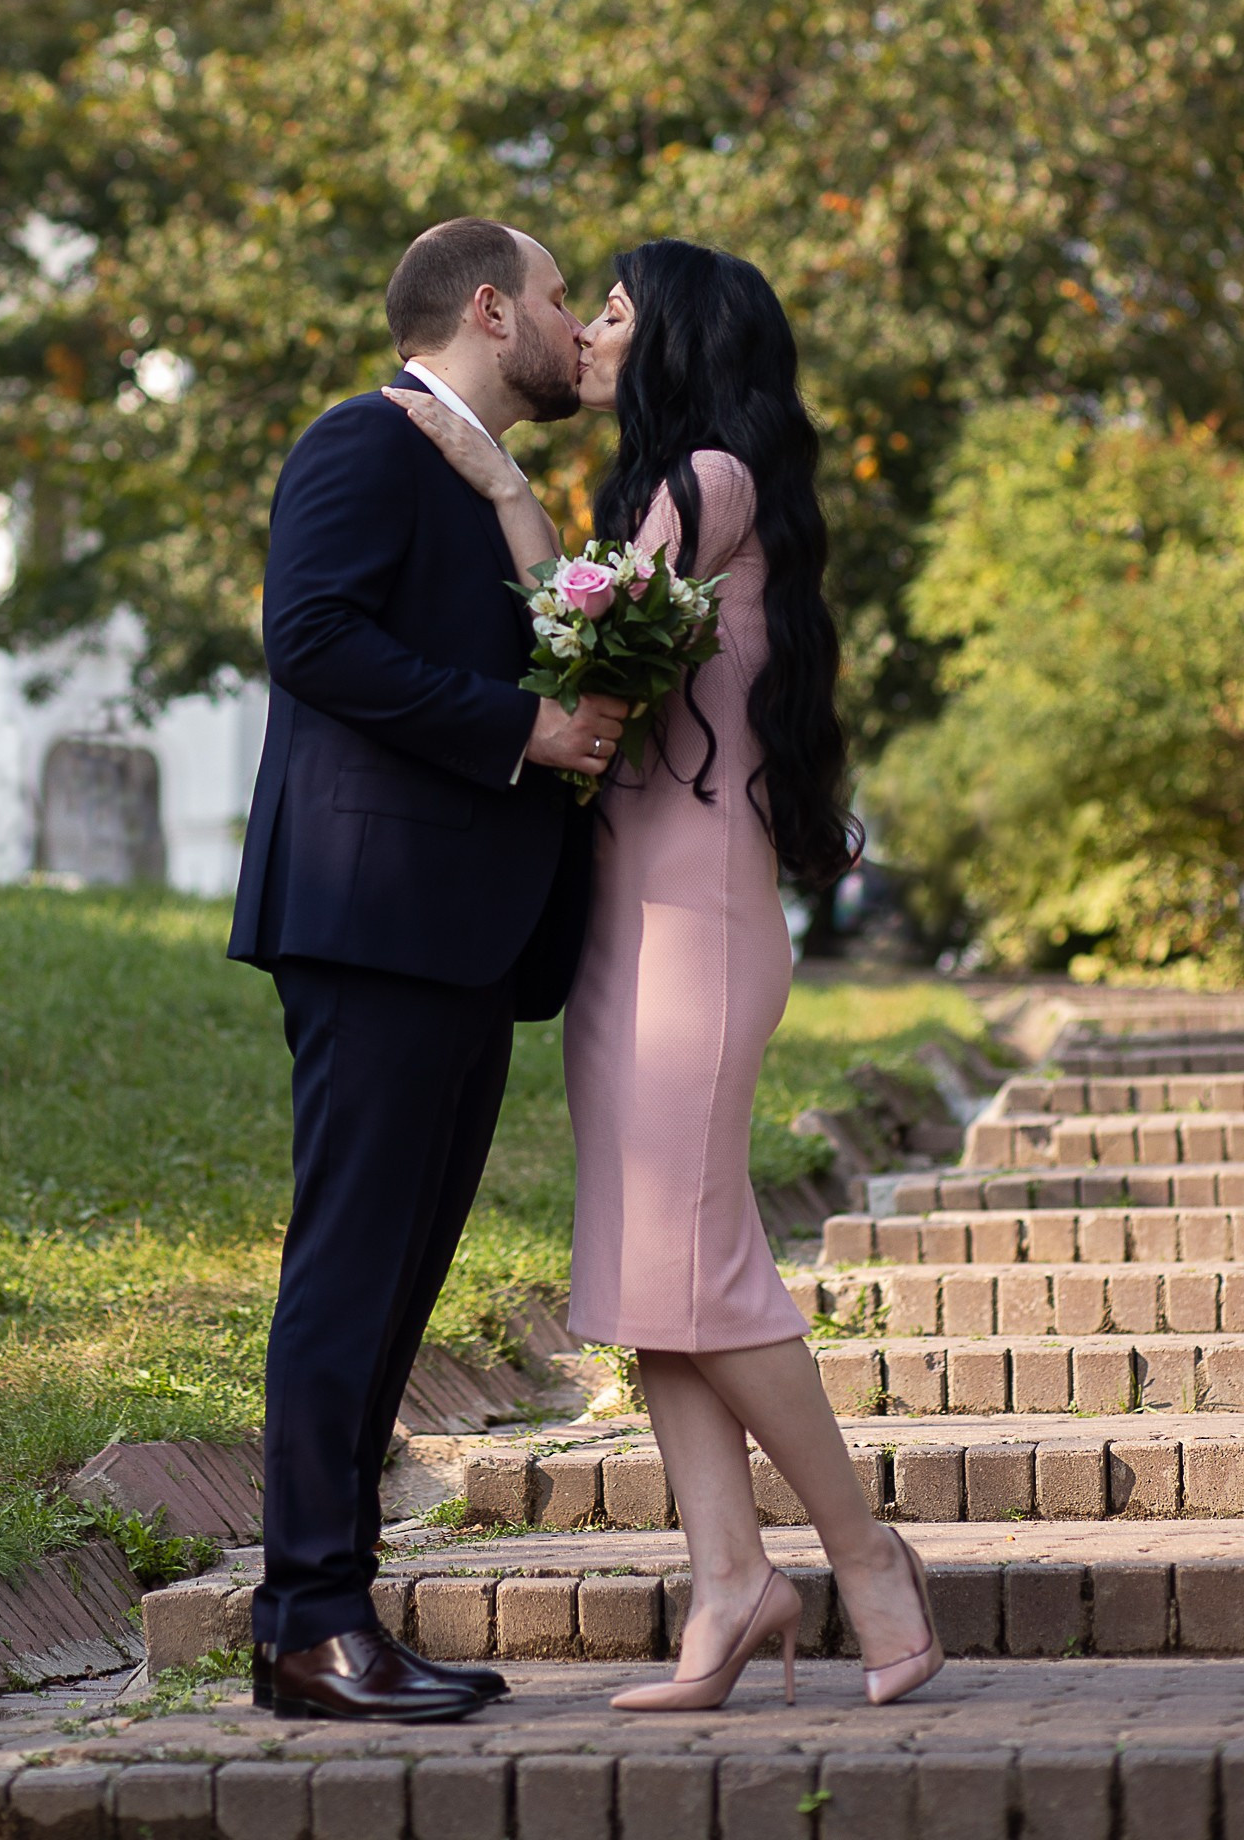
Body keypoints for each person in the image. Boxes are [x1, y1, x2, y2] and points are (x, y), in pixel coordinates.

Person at [388, 239, 943, 1712]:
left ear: (678, 336)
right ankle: (729, 1582)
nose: (586, 332)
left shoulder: (710, 479)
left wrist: (501, 488)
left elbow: (584, 654)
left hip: (697, 919)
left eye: (615, 312)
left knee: (702, 1260)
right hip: (627, 921)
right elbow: (590, 648)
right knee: (651, 1272)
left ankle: (867, 1558)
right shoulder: (669, 491)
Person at [231, 217, 631, 1724]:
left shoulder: (489, 479)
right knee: (350, 1274)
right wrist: (521, 727)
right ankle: (307, 1625)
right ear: (487, 309)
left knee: (397, 1280)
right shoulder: (365, 440)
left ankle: (334, 1617)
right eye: (554, 297)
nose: (572, 325)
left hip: (466, 935)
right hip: (374, 919)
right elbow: (309, 636)